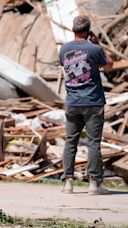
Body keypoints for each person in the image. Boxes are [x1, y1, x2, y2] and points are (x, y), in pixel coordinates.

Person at [59, 15, 113, 195]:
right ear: (88, 31)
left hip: (72, 102)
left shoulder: (64, 49)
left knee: (70, 142)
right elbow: (109, 67)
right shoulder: (94, 49)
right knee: (93, 143)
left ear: (73, 29)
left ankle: (67, 183)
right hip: (92, 102)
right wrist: (99, 45)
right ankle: (94, 184)